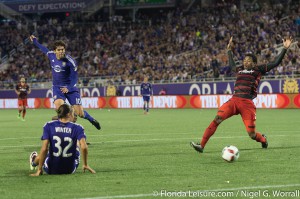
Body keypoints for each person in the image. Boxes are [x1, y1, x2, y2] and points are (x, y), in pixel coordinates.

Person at [191, 36, 293, 153]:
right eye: (245, 60)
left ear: (254, 63)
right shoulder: (239, 69)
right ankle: (202, 145)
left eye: (249, 61)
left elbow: (275, 63)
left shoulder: (258, 69)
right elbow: (231, 65)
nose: (246, 62)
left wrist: (285, 48)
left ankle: (263, 139)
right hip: (234, 101)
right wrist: (229, 51)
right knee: (217, 119)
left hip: (247, 104)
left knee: (251, 134)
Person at [29, 35, 100, 130]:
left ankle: (91, 119)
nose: (61, 51)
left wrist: (68, 88)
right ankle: (68, 124)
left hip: (70, 88)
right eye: (59, 50)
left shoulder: (70, 61)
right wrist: (34, 41)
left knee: (80, 114)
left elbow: (75, 78)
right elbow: (43, 48)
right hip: (57, 87)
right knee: (59, 108)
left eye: (63, 49)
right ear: (55, 51)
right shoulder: (51, 55)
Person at [29, 104, 95, 176]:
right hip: (70, 170)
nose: (75, 115)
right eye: (73, 113)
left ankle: (34, 162)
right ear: (68, 114)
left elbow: (44, 149)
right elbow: (84, 147)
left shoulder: (48, 125)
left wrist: (39, 169)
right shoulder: (78, 127)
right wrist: (85, 164)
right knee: (77, 144)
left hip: (50, 169)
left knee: (47, 153)